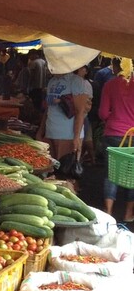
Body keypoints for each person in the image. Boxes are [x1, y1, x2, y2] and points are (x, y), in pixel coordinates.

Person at [98, 58, 134, 221]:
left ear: (115, 66)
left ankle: (108, 213)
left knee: (111, 173)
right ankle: (128, 214)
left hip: (113, 134)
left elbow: (103, 113)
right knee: (132, 174)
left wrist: (114, 117)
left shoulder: (110, 85)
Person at [41, 66, 93, 163]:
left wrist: (76, 137)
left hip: (67, 136)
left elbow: (80, 111)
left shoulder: (76, 81)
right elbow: (48, 109)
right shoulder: (52, 81)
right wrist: (41, 132)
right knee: (51, 170)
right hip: (50, 132)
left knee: (66, 171)